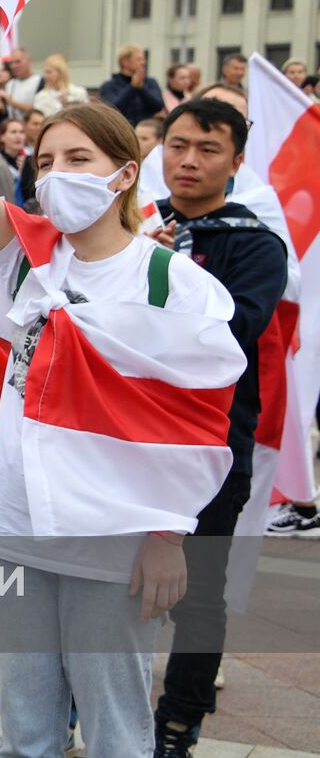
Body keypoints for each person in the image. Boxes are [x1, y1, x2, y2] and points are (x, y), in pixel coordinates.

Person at [0, 0, 245, 758]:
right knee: (27, 731)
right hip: (16, 528)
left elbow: (198, 423)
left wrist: (170, 534)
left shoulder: (173, 282)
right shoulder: (25, 253)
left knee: (115, 730)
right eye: (44, 161)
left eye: (79, 159)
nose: (56, 173)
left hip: (115, 540)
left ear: (124, 174)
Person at [146, 99, 288, 756]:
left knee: (198, 594)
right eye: (177, 145)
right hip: (128, 437)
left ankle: (178, 722)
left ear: (236, 160)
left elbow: (231, 334)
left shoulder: (256, 243)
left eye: (207, 148)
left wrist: (157, 280)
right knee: (105, 584)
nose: (188, 160)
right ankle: (86, 706)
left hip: (213, 442)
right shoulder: (135, 227)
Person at [101, 44, 165, 125]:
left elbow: (158, 106)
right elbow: (113, 108)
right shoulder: (109, 86)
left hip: (146, 132)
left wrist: (142, 89)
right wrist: (132, 87)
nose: (143, 62)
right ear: (125, 62)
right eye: (139, 59)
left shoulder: (150, 82)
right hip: (122, 130)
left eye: (144, 59)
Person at [0, 48, 42, 120]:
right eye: (11, 63)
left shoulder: (39, 81)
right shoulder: (10, 84)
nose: (14, 66)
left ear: (28, 61)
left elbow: (38, 109)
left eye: (17, 62)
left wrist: (12, 103)